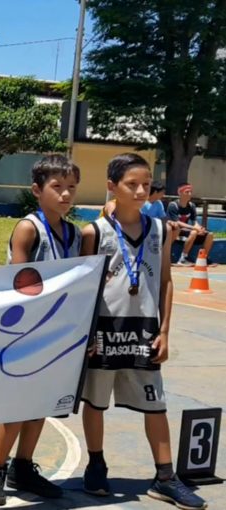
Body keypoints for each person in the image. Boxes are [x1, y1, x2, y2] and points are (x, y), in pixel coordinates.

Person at [80, 154, 207, 510]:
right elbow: (85, 288)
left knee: (156, 405)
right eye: (131, 184)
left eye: (145, 184)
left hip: (144, 332)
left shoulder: (161, 230)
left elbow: (165, 281)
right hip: (104, 330)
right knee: (96, 402)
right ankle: (96, 463)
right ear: (111, 187)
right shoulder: (94, 232)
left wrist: (165, 329)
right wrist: (86, 334)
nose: (139, 191)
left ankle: (165, 476)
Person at [0, 155, 80, 506]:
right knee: (16, 405)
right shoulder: (28, 228)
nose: (66, 194)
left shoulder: (73, 232)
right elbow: (17, 282)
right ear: (37, 190)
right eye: (57, 187)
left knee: (41, 403)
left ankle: (23, 466)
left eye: (71, 188)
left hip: (56, 331)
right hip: (24, 331)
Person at [167, 183, 214, 266]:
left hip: (187, 230)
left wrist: (199, 228)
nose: (189, 194)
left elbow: (194, 221)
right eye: (187, 192)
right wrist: (194, 228)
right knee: (193, 232)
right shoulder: (173, 205)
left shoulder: (192, 206)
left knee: (209, 234)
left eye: (190, 192)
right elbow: (177, 222)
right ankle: (183, 259)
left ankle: (203, 258)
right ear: (180, 193)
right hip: (176, 230)